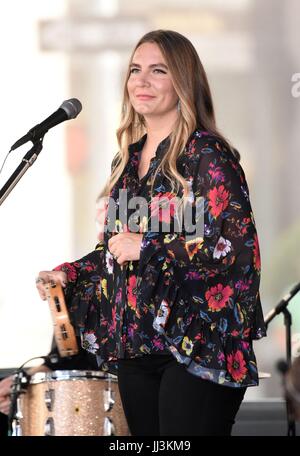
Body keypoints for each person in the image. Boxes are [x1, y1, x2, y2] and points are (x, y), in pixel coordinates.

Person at [35, 30, 266, 436]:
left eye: (158, 71)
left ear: (183, 82)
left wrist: (149, 245)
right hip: (136, 344)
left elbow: (236, 250)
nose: (141, 81)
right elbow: (113, 252)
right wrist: (68, 274)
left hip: (199, 342)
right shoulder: (126, 162)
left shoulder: (208, 156)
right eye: (135, 70)